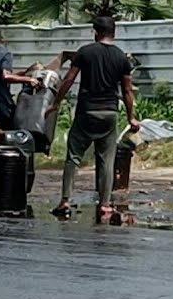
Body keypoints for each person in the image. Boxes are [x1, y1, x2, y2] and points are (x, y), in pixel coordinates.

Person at [46, 16, 140, 224]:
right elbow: (127, 91)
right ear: (113, 34)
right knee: (106, 160)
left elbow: (69, 79)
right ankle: (105, 204)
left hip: (87, 112)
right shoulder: (121, 58)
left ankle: (65, 201)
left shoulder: (85, 52)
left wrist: (56, 103)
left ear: (95, 33)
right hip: (109, 113)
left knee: (74, 156)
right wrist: (132, 117)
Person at [0, 26, 43, 134]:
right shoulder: (4, 53)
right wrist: (29, 80)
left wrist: (22, 74)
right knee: (10, 133)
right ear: (1, 39)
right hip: (0, 101)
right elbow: (6, 77)